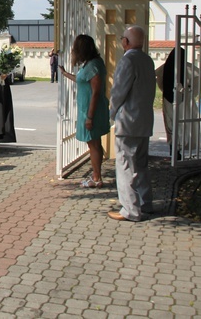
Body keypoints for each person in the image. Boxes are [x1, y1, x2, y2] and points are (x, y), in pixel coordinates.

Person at [108, 25, 156, 222]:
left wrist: (111, 113)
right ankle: (146, 202)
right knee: (142, 164)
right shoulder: (147, 60)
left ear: (126, 42)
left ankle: (130, 210)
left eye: (122, 39)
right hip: (144, 120)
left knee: (126, 164)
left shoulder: (128, 60)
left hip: (128, 120)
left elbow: (119, 91)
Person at [59, 35, 110, 188]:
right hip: (89, 110)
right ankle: (97, 176)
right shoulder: (92, 63)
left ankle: (96, 178)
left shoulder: (93, 65)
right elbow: (82, 80)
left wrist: (89, 117)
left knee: (93, 144)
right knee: (95, 143)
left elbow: (95, 92)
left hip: (91, 111)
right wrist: (65, 74)